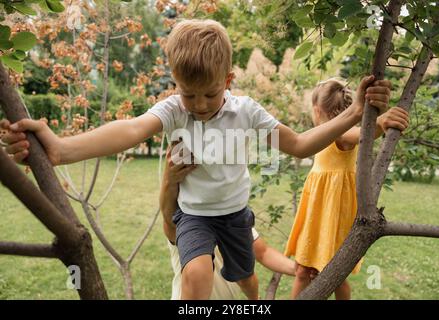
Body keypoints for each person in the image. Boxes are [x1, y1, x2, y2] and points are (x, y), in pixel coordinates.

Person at [0, 19, 393, 300]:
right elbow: (130, 129)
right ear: (175, 84)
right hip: (195, 217)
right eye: (189, 95)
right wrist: (61, 149)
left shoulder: (247, 112)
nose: (200, 105)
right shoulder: (174, 109)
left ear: (228, 80)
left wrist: (355, 112)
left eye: (209, 94)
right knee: (197, 274)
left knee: (247, 278)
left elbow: (301, 145)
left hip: (237, 216)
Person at [284, 78, 409, 300]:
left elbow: (360, 135)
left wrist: (380, 122)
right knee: (306, 270)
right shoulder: (327, 133)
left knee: (331, 273)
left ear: (316, 111)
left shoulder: (340, 134)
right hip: (318, 213)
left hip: (333, 213)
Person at [161, 144, 295, 299]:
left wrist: (297, 269)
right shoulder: (184, 227)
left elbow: (263, 253)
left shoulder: (234, 221)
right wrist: (169, 179)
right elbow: (167, 215)